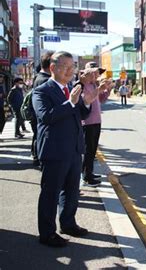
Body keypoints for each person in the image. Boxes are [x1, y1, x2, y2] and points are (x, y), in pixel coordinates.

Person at [32, 51, 96, 247]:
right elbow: (47, 116)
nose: (70, 71)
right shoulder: (41, 91)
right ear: (53, 68)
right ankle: (47, 233)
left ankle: (68, 223)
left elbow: (80, 115)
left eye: (72, 67)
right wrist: (72, 102)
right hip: (55, 151)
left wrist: (86, 101)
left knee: (71, 191)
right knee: (50, 194)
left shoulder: (70, 89)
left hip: (74, 149)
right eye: (65, 67)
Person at [80, 62, 112, 187]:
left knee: (92, 150)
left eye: (98, 73)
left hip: (96, 121)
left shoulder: (94, 84)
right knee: (88, 150)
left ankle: (89, 173)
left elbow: (101, 99)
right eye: (95, 72)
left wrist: (107, 90)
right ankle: (86, 176)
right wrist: (100, 89)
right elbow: (86, 100)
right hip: (87, 122)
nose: (97, 75)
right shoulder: (83, 85)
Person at [30, 51, 54, 166]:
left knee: (37, 135)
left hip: (37, 115)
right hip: (42, 117)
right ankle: (38, 158)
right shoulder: (45, 80)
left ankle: (36, 157)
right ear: (51, 66)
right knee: (39, 136)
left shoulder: (38, 77)